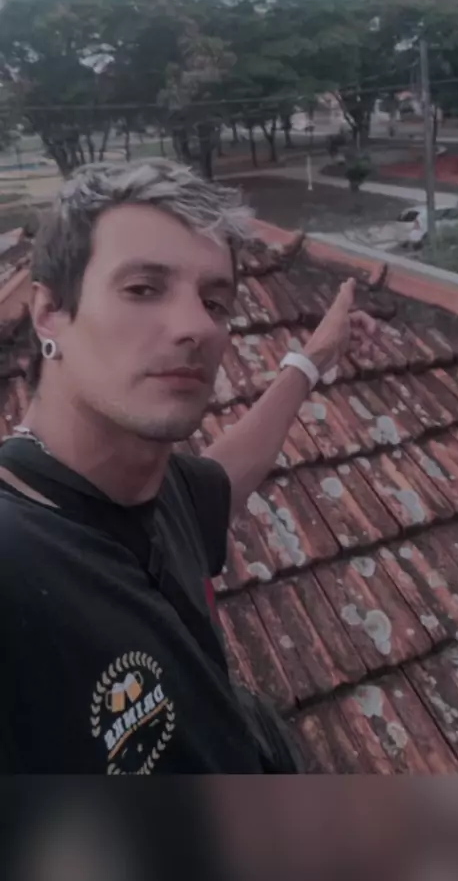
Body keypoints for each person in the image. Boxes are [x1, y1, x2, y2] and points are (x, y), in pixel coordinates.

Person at [0, 158, 374, 774]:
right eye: (142, 288)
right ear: (49, 313)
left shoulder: (158, 491)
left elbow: (222, 482)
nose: (197, 324)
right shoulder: (16, 562)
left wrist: (312, 360)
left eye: (215, 302)